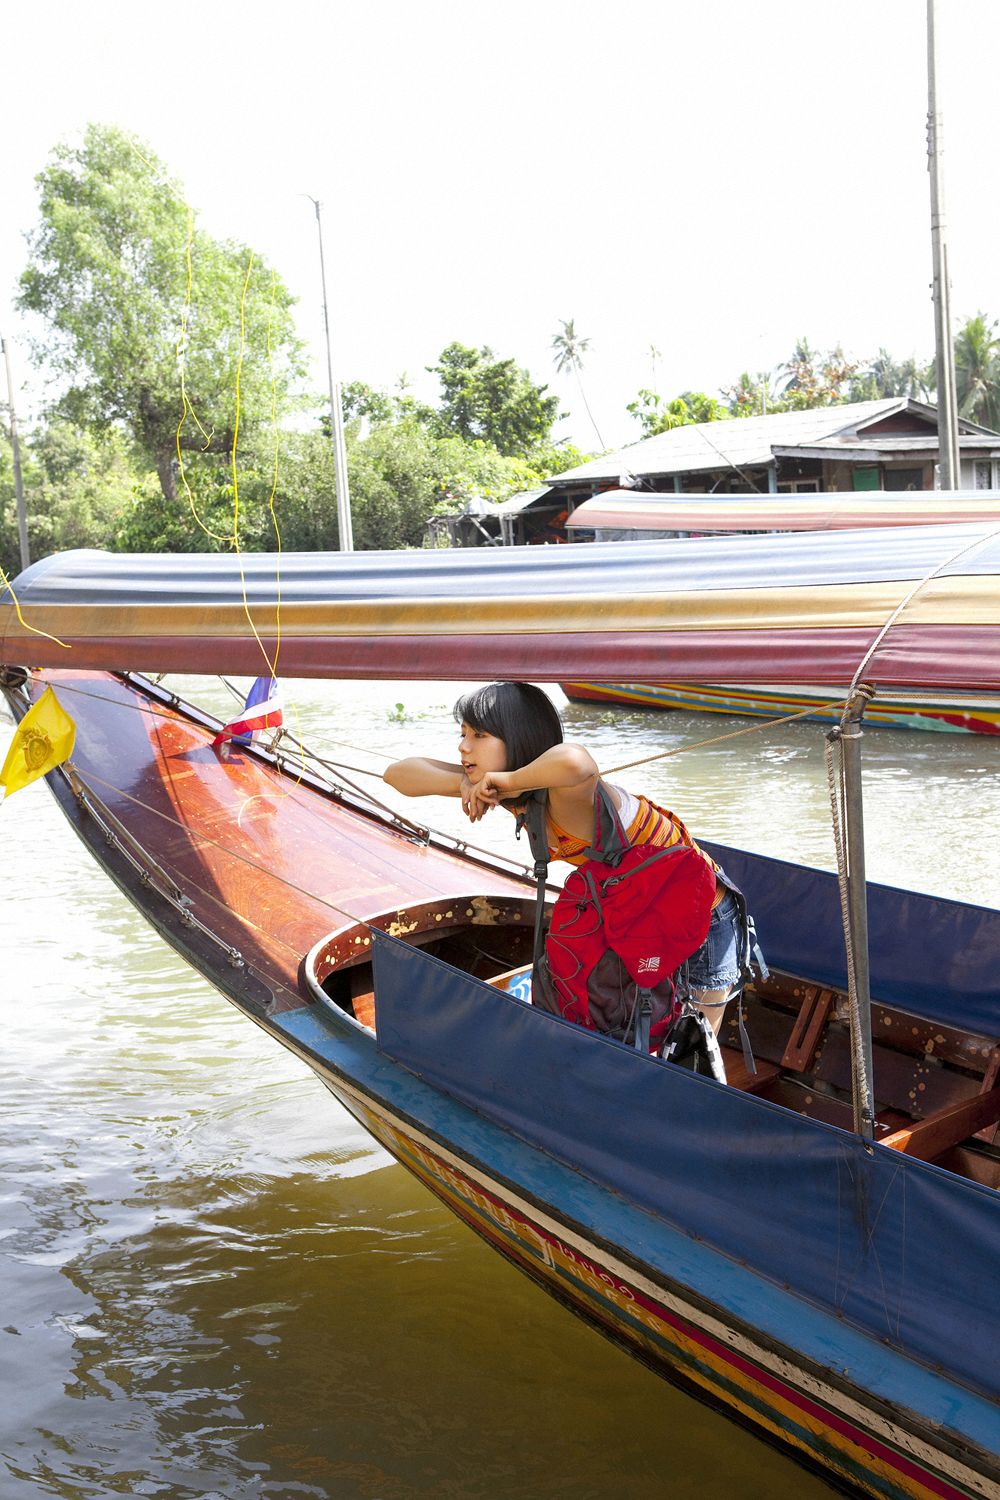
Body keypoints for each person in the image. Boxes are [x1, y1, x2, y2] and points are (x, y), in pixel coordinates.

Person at [384, 681, 747, 1042]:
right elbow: (398, 774)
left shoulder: (567, 795)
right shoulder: (512, 790)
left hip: (707, 917)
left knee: (697, 1049)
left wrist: (504, 780)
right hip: (645, 912)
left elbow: (576, 761)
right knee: (646, 1028)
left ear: (519, 736)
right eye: (462, 734)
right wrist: (466, 784)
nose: (464, 746)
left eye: (479, 734)